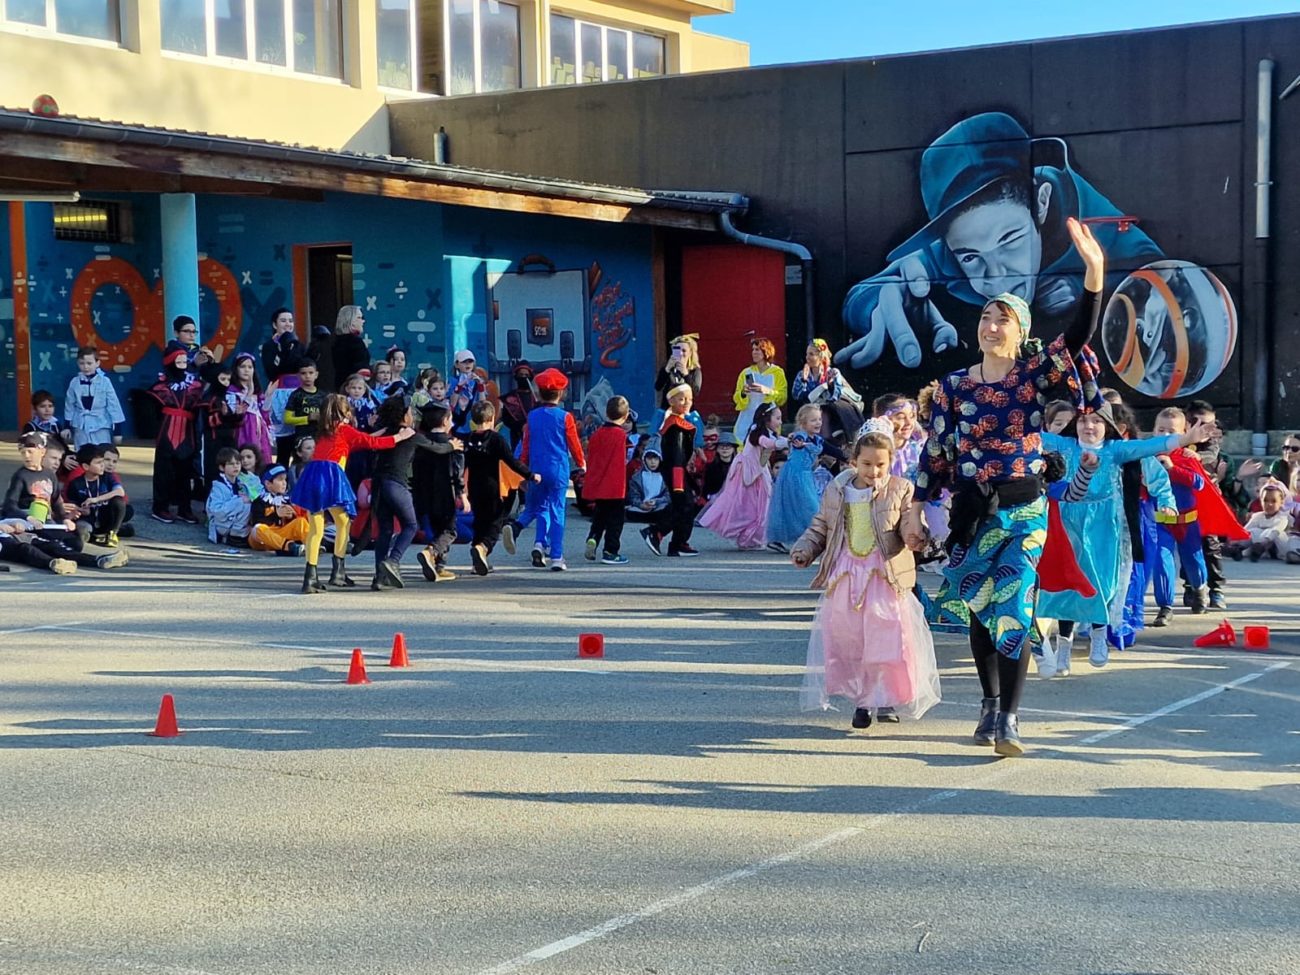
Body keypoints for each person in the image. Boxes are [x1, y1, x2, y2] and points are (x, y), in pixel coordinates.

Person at [904, 217, 1108, 757]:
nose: (992, 325)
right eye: (986, 317)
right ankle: (989, 703)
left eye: (1003, 319)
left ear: (1019, 332)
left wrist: (1095, 274)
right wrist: (916, 507)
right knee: (980, 608)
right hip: (972, 511)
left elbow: (1079, 336)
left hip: (1023, 507)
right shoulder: (952, 387)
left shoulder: (1034, 375)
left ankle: (1011, 720)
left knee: (1015, 604)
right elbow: (937, 452)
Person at [791, 430, 941, 728]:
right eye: (867, 464)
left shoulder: (900, 490)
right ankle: (862, 700)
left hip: (883, 575)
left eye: (881, 465)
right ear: (854, 462)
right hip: (847, 573)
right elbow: (822, 525)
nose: (874, 471)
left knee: (886, 639)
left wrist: (915, 534)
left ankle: (884, 698)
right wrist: (805, 549)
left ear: (890, 464)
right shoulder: (838, 490)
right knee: (851, 640)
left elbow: (909, 521)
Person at [1036, 403, 1202, 670]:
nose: (1089, 426)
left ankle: (1099, 634)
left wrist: (1185, 439)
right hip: (1067, 521)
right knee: (1068, 584)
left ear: (1110, 428)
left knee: (1103, 581)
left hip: (1105, 522)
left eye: (1097, 421)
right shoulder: (1064, 446)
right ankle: (1063, 645)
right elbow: (1026, 436)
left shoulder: (1116, 450)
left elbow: (1150, 448)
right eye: (1084, 420)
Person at [291, 393, 413, 593]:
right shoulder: (345, 429)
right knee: (344, 521)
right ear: (344, 412)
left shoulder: (323, 431)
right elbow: (370, 443)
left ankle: (310, 577)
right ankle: (337, 571)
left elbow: (360, 440)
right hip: (331, 477)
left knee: (316, 528)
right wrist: (399, 436)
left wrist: (380, 431)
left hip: (313, 476)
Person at [512, 368, 585, 571]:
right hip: (558, 470)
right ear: (561, 393)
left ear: (538, 393)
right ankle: (556, 556)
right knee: (557, 511)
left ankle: (538, 544)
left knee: (541, 508)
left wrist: (523, 469)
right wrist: (581, 462)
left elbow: (526, 444)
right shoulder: (565, 417)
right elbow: (573, 443)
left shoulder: (533, 416)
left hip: (535, 469)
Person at [699, 402, 787, 551]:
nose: (780, 422)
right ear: (767, 419)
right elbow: (769, 444)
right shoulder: (757, 433)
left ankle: (755, 537)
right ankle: (748, 538)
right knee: (747, 505)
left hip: (759, 469)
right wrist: (787, 442)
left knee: (762, 503)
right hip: (748, 471)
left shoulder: (766, 432)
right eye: (777, 418)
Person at [464, 399, 538, 576]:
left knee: (479, 522)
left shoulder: (468, 439)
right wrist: (530, 475)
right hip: (494, 488)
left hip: (474, 488)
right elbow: (511, 461)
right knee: (495, 524)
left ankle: (477, 561)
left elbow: (463, 465)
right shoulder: (496, 439)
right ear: (492, 420)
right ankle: (483, 548)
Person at [147, 348, 206, 525]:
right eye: (178, 362)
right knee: (163, 471)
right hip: (166, 430)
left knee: (185, 471)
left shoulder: (194, 386)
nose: (182, 365)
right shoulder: (160, 385)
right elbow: (153, 412)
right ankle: (160, 507)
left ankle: (184, 508)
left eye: (184, 362)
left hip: (187, 431)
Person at [411, 403, 465, 583]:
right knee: (450, 530)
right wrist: (462, 493)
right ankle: (431, 552)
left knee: (438, 529)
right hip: (444, 492)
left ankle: (438, 567)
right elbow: (457, 471)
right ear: (445, 420)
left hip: (424, 493)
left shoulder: (421, 442)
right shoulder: (452, 444)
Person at [767, 404, 829, 552]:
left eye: (819, 419)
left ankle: (809, 538)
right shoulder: (799, 436)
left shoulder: (816, 439)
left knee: (805, 505)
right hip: (795, 475)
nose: (818, 423)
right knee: (808, 505)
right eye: (813, 420)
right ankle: (814, 537)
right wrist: (802, 444)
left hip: (806, 475)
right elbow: (799, 443)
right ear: (803, 423)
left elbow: (823, 448)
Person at [583, 395, 631, 565]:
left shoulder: (597, 435)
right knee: (615, 521)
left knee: (600, 517)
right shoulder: (621, 436)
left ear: (606, 413)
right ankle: (610, 551)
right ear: (625, 417)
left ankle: (593, 538)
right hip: (615, 487)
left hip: (599, 485)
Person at [790, 339, 863, 446]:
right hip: (809, 412)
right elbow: (796, 396)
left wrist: (830, 385)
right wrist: (804, 381)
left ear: (821, 356)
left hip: (829, 413)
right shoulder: (802, 374)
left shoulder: (833, 372)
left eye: (811, 354)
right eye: (807, 354)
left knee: (823, 417)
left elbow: (836, 396)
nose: (807, 358)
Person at [66, 444, 127, 547]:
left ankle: (113, 532)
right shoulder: (76, 484)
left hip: (104, 517)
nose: (103, 465)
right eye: (99, 463)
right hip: (87, 519)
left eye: (103, 461)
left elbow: (120, 492)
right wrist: (81, 510)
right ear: (86, 466)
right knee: (81, 531)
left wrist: (96, 499)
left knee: (119, 502)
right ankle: (97, 536)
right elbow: (72, 506)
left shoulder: (107, 477)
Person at [64, 346, 124, 449]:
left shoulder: (105, 381)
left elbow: (114, 405)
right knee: (82, 453)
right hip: (81, 426)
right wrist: (66, 427)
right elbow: (69, 405)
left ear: (97, 363)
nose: (86, 367)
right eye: (82, 363)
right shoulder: (74, 382)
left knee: (101, 453)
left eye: (89, 363)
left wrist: (117, 431)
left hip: (101, 425)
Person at [731, 337, 788, 440]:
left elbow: (782, 397)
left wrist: (767, 391)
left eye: (757, 349)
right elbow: (736, 397)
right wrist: (743, 393)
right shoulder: (746, 372)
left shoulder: (777, 372)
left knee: (766, 448)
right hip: (747, 417)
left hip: (767, 419)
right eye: (753, 350)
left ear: (766, 351)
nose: (754, 352)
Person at [248, 465, 309, 557]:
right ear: (268, 483)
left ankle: (311, 544)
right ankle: (289, 546)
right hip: (263, 539)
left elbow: (291, 524)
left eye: (285, 479)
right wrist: (276, 514)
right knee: (258, 528)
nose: (284, 483)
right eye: (280, 480)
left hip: (280, 534)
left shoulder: (286, 499)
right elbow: (257, 521)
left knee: (300, 521)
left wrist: (290, 516)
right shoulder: (259, 501)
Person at [228, 352, 274, 464]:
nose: (246, 370)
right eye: (242, 366)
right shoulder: (231, 391)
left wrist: (268, 397)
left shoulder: (258, 393)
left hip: (259, 432)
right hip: (242, 430)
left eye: (250, 367)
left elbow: (264, 415)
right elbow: (235, 413)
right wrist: (249, 393)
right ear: (236, 369)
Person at [1230, 481, 1292, 561]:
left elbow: (1276, 531)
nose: (1269, 504)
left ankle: (1260, 549)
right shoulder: (1258, 516)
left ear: (1281, 502)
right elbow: (1247, 530)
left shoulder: (1283, 517)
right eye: (1265, 501)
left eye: (1273, 501)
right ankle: (1238, 549)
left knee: (1275, 533)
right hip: (1259, 545)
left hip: (1279, 549)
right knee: (1253, 531)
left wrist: (1263, 543)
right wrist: (1237, 540)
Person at [206, 447, 252, 547]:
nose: (235, 466)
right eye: (231, 464)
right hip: (221, 524)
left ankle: (238, 535)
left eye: (238, 463)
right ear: (222, 468)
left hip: (235, 522)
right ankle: (233, 536)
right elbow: (216, 511)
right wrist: (239, 501)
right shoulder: (218, 486)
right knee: (244, 504)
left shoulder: (241, 483)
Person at [284, 359, 326, 442]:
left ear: (316, 374)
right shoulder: (295, 395)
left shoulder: (324, 395)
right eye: (303, 373)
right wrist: (308, 418)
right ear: (298, 376)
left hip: (320, 436)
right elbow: (287, 419)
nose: (307, 376)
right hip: (302, 438)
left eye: (311, 373)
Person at [625, 442, 670, 522]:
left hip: (659, 506)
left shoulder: (666, 477)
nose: (653, 462)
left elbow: (668, 495)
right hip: (640, 508)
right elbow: (633, 496)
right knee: (630, 511)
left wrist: (656, 501)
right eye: (649, 459)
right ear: (644, 459)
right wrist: (641, 505)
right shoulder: (637, 477)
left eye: (655, 459)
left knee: (668, 510)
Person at [330, 305, 370, 392]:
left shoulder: (336, 342)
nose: (363, 321)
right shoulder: (355, 342)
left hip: (340, 387)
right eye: (359, 317)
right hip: (356, 390)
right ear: (350, 321)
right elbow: (362, 371)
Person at [449, 349, 488, 435]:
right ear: (457, 364)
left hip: (473, 423)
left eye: (470, 361)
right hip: (456, 424)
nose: (467, 364)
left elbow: (483, 404)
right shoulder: (452, 381)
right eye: (464, 362)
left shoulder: (477, 381)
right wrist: (459, 386)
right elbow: (452, 404)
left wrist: (480, 385)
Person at [498, 361, 536, 447]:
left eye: (526, 375)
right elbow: (506, 419)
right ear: (516, 376)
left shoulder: (537, 397)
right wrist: (520, 426)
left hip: (536, 437)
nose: (523, 377)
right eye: (521, 375)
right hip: (517, 437)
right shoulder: (510, 398)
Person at [260, 307, 303, 383]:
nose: (288, 324)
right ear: (274, 325)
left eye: (290, 321)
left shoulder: (298, 345)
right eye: (283, 321)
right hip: (279, 389)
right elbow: (271, 374)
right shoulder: (268, 346)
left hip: (298, 389)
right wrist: (282, 351)